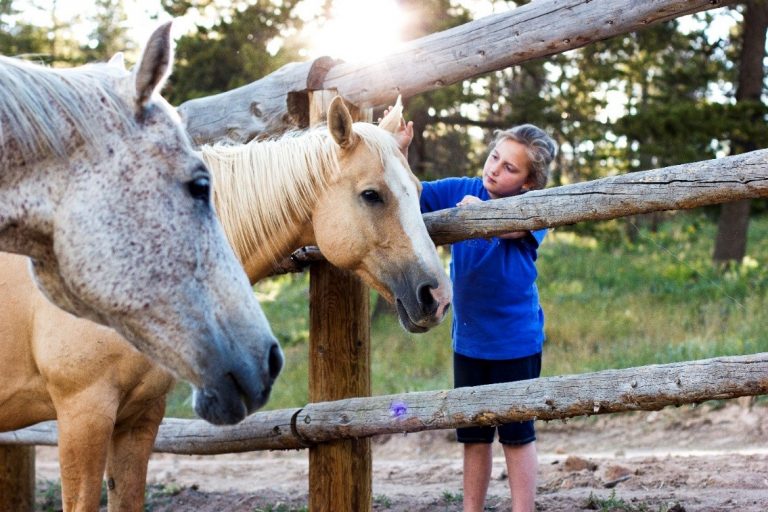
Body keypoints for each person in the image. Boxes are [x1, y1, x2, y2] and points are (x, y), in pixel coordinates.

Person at [390, 112, 557, 512]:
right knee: (474, 436)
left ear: (528, 182)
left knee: (517, 435)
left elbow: (511, 228)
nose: (495, 169)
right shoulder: (462, 188)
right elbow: (410, 193)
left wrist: (476, 215)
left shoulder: (535, 206)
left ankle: (523, 509)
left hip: (515, 343)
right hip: (469, 342)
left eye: (510, 167)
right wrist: (400, 154)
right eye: (495, 157)